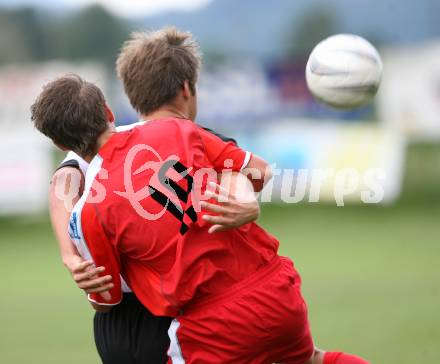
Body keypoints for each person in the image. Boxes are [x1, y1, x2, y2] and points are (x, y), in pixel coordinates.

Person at [32, 27, 369, 364]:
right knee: (310, 359)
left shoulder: (89, 210)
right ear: (108, 111)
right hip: (275, 289)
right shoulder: (178, 129)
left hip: (204, 321)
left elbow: (104, 298)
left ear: (60, 144)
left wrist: (81, 259)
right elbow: (256, 170)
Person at [48, 102, 258, 363]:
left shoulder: (91, 154)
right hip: (180, 311)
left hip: (118, 326)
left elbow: (62, 180)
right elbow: (242, 168)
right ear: (187, 89)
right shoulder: (180, 131)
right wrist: (245, 202)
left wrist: (70, 255)